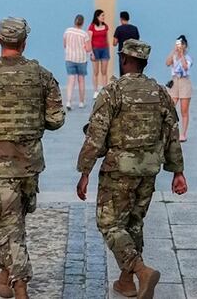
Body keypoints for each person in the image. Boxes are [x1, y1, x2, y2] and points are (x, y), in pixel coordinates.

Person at [0, 17, 65, 299]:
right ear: (24, 43)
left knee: (9, 224)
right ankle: (4, 275)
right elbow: (57, 119)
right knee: (13, 221)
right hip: (30, 164)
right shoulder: (41, 75)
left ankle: (20, 285)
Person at [76, 39, 186, 299]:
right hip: (149, 170)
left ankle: (140, 270)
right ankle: (126, 282)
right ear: (144, 64)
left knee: (109, 223)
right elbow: (171, 132)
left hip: (119, 169)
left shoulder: (112, 91)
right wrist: (178, 171)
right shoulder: (159, 92)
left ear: (124, 60)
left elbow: (96, 135)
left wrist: (85, 172)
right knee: (134, 223)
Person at [166, 35, 193, 141]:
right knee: (170, 107)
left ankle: (183, 134)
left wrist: (181, 54)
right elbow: (167, 63)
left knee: (184, 110)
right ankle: (170, 131)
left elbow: (186, 67)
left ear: (185, 45)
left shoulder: (188, 57)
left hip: (184, 82)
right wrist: (174, 51)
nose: (179, 46)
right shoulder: (174, 55)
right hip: (175, 82)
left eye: (180, 44)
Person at [63, 14, 90, 110]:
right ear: (82, 23)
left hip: (69, 58)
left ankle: (68, 101)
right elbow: (88, 48)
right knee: (81, 80)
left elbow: (65, 44)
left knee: (71, 80)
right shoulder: (84, 34)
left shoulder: (67, 31)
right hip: (81, 59)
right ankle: (81, 102)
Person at [112, 10, 140, 78]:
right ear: (128, 18)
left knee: (123, 73)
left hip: (123, 54)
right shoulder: (134, 28)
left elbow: (114, 43)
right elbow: (137, 41)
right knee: (132, 72)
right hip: (132, 53)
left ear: (121, 19)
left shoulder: (119, 29)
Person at [88, 9, 111, 91]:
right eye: (102, 15)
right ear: (97, 17)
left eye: (104, 15)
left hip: (104, 49)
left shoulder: (105, 26)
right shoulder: (92, 26)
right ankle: (95, 90)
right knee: (96, 72)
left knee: (104, 71)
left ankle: (104, 89)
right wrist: (91, 53)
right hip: (95, 50)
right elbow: (89, 40)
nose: (103, 17)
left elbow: (107, 39)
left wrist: (108, 50)